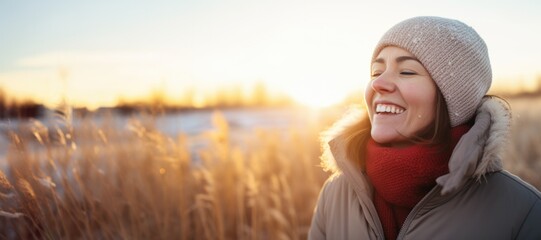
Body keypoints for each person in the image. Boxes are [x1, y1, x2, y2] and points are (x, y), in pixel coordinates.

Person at [308, 16, 541, 240]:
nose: (378, 83)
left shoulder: (524, 213)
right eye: (376, 72)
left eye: (406, 72)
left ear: (455, 99)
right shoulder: (335, 195)